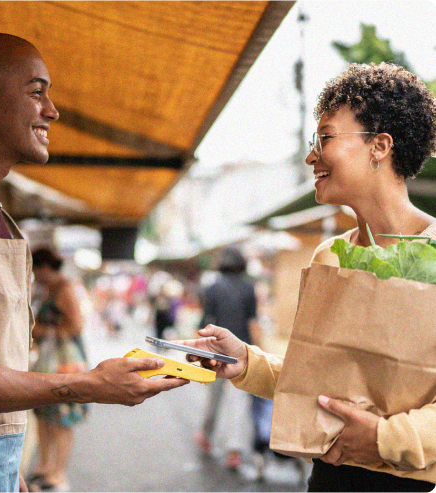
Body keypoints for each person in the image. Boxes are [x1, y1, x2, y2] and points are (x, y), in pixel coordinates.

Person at [0, 33, 188, 493]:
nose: (52, 110)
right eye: (37, 92)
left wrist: (8, 467)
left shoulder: (0, 219)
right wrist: (89, 385)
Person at [182, 62, 436, 492]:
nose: (311, 154)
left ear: (380, 146)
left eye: (325, 137)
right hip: (330, 479)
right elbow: (317, 381)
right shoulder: (329, 257)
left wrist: (383, 439)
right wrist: (246, 361)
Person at [28, 247, 88, 492]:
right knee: (43, 413)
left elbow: (76, 326)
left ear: (44, 267)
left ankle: (57, 472)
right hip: (49, 359)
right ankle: (44, 467)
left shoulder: (65, 289)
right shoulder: (49, 289)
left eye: (35, 269)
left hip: (65, 359)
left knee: (63, 417)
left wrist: (45, 331)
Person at [194, 247, 260, 469]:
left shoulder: (212, 287)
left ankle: (205, 436)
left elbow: (204, 321)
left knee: (213, 398)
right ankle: (234, 451)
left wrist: (197, 351)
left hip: (215, 351)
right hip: (241, 351)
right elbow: (253, 323)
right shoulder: (249, 288)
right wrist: (259, 352)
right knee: (238, 402)